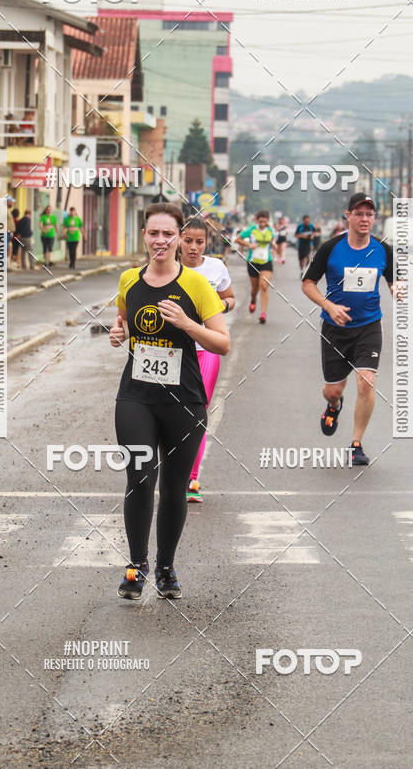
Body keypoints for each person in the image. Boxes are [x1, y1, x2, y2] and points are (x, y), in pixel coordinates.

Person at [109, 203, 229, 600]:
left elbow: (222, 343)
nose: (160, 240)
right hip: (136, 398)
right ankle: (137, 566)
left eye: (167, 234)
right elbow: (125, 318)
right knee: (139, 479)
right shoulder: (129, 279)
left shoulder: (196, 285)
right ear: (143, 236)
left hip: (184, 402)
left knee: (175, 489)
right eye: (153, 233)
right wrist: (118, 331)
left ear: (179, 239)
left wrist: (187, 324)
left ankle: (165, 568)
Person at [302, 193, 397, 467]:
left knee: (366, 381)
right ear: (348, 216)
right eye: (359, 213)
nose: (364, 218)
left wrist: (398, 289)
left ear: (374, 218)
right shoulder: (331, 248)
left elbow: (395, 279)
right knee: (333, 390)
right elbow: (308, 283)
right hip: (335, 329)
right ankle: (333, 406)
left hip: (369, 326)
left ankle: (356, 444)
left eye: (369, 214)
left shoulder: (382, 250)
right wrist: (329, 306)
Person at [179, 217, 236, 504]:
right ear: (179, 240)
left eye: (199, 242)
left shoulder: (215, 267)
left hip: (206, 350)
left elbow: (230, 297)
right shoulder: (167, 267)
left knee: (196, 412)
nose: (193, 247)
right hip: (172, 351)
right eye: (187, 240)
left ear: (207, 243)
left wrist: (219, 305)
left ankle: (191, 478)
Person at [236, 210, 275, 324]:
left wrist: (273, 244)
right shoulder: (252, 230)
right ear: (257, 220)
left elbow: (272, 239)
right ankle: (253, 300)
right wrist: (248, 245)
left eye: (264, 221)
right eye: (260, 221)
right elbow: (237, 239)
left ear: (267, 221)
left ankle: (263, 314)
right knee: (254, 289)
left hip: (266, 261)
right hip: (253, 261)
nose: (262, 224)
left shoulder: (270, 230)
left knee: (264, 286)